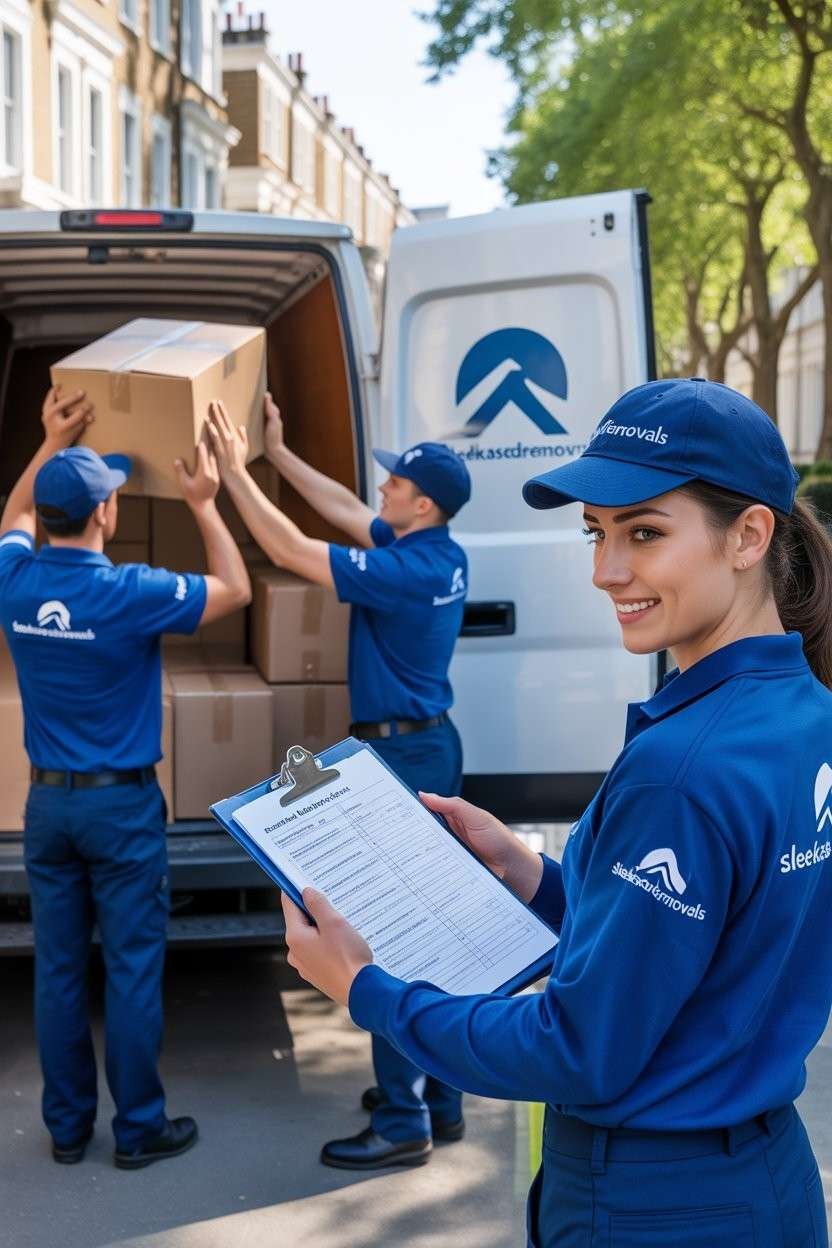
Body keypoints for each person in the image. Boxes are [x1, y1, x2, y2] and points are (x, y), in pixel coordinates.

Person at [279, 378, 832, 1247]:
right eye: (597, 533)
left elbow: (576, 1047)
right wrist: (530, 872)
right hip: (766, 1184)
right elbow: (700, 946)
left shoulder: (680, 772)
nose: (606, 571)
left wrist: (365, 988)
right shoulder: (806, 713)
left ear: (749, 536)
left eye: (644, 532)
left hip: (652, 1204)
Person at [206, 394, 472, 1170]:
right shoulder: (440, 553)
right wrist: (278, 455)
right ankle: (441, 1098)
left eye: (396, 485)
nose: (381, 490)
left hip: (405, 756)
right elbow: (349, 510)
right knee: (428, 926)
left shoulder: (405, 570)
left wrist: (231, 475)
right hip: (427, 746)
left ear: (422, 505)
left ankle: (401, 1120)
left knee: (387, 932)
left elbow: (291, 549)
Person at [0, 387, 251, 1169]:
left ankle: (68, 1129)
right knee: (134, 969)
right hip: (124, 808)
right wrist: (205, 504)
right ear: (106, 516)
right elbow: (237, 589)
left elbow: (10, 520)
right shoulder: (130, 591)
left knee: (59, 970)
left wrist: (46, 444)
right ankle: (139, 1130)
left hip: (47, 807)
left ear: (48, 519)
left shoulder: (16, 581)